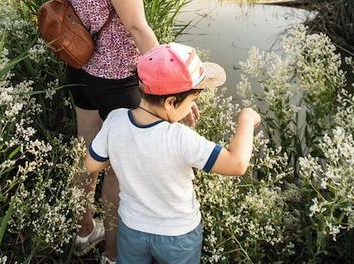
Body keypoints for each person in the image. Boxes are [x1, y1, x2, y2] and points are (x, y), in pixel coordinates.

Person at [51, 0, 177, 263]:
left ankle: (84, 231)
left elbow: (62, 3)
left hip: (77, 66)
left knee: (88, 153)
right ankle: (111, 254)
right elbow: (138, 28)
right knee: (120, 172)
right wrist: (172, 83)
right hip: (116, 78)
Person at [85, 43, 262, 264]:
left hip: (132, 228)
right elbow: (237, 164)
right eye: (192, 101)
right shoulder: (180, 138)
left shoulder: (115, 120)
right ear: (171, 102)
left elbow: (92, 164)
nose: (192, 108)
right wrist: (246, 119)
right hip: (178, 236)